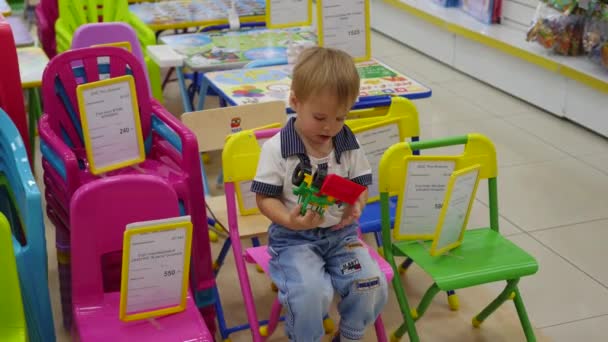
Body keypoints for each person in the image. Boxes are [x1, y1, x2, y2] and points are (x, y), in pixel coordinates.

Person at [251, 46, 388, 342]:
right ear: (295, 102)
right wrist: (290, 219)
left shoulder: (346, 142)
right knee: (310, 293)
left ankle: (349, 336)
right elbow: (264, 198)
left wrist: (357, 204)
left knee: (371, 283)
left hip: (342, 236)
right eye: (320, 117)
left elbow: (360, 185)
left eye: (340, 118)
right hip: (294, 240)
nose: (330, 127)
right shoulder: (278, 148)